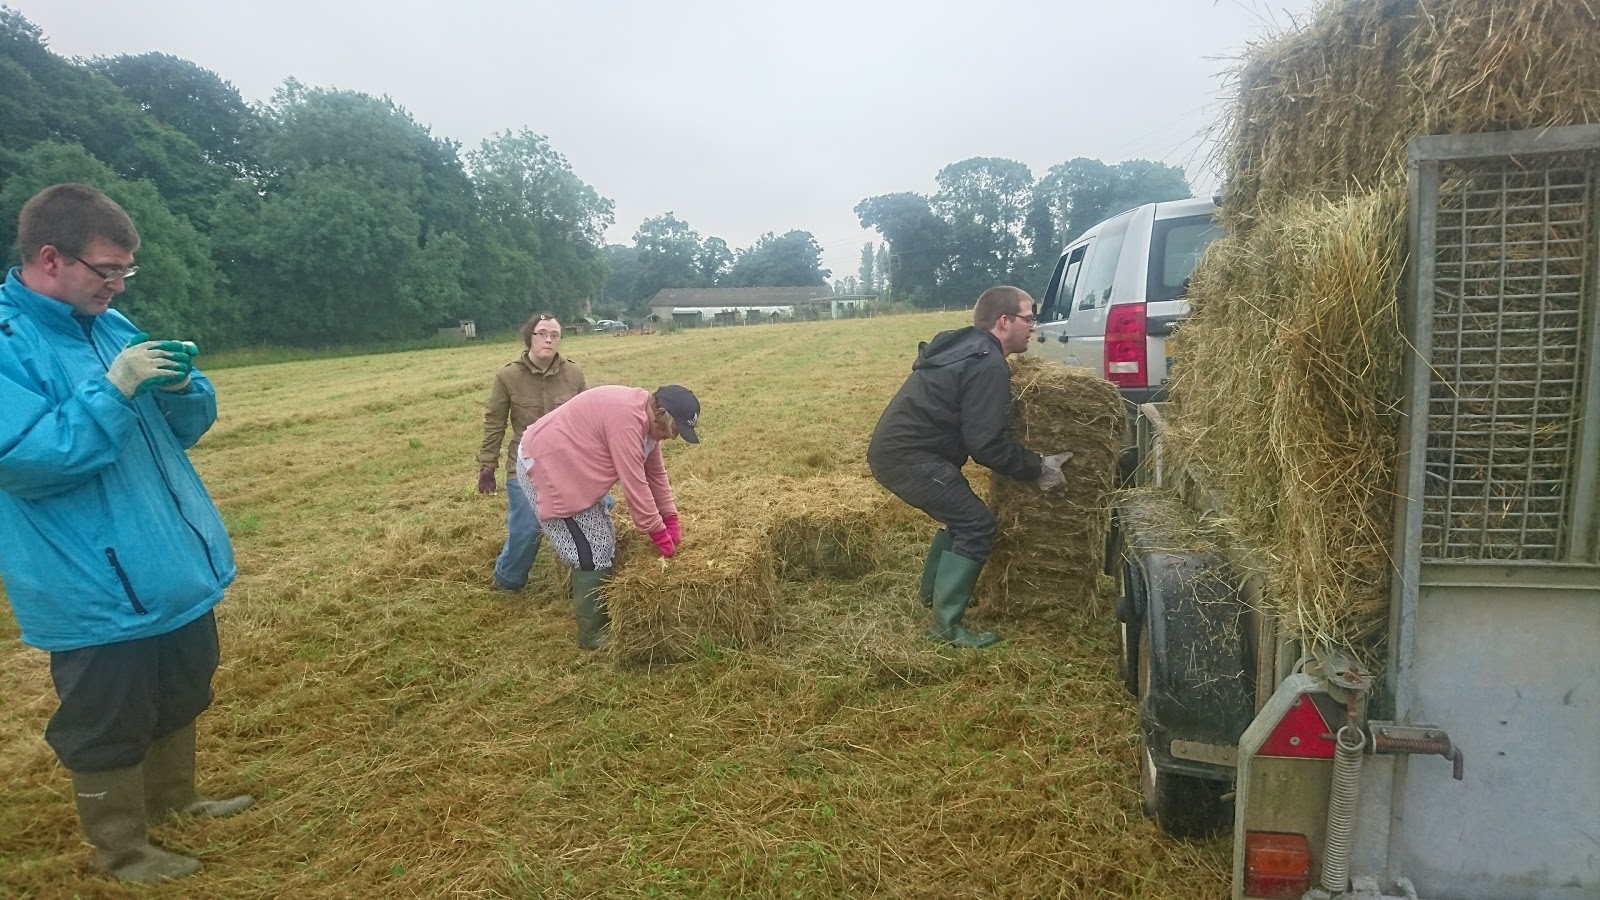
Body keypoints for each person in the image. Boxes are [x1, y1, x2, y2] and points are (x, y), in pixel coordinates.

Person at [0, 184, 253, 881]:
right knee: (107, 718)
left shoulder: (112, 324)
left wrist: (183, 388)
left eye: (124, 272)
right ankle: (121, 849)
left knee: (182, 685)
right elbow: (26, 458)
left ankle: (175, 801)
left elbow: (183, 431)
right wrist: (112, 391)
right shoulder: (8, 342)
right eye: (106, 270)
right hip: (91, 579)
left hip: (167, 561)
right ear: (51, 257)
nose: (116, 285)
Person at [867, 285, 1071, 649]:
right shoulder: (987, 363)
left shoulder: (968, 348)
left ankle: (933, 595)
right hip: (909, 457)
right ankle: (946, 627)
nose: (1034, 327)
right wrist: (1037, 466)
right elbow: (985, 445)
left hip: (903, 451)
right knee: (976, 524)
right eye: (1028, 318)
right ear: (1004, 321)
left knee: (960, 516)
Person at [516, 384, 700, 649]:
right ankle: (592, 634)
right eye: (674, 431)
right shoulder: (627, 423)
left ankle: (595, 610)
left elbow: (655, 475)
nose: (672, 438)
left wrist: (670, 517)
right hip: (546, 465)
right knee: (592, 549)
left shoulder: (648, 421)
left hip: (571, 464)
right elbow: (635, 484)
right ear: (662, 415)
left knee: (602, 538)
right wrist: (658, 532)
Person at [477, 312, 586, 593]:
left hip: (566, 464)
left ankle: (588, 575)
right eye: (542, 334)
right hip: (524, 464)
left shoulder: (573, 374)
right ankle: (507, 579)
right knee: (527, 527)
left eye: (554, 335)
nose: (548, 340)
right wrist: (487, 465)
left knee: (600, 510)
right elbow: (495, 422)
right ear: (530, 337)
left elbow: (588, 419)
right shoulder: (508, 376)